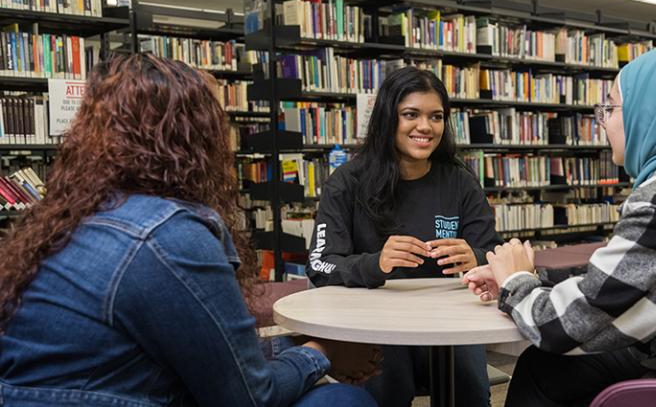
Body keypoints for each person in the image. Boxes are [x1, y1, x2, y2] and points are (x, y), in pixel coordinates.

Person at [0, 54, 380, 407]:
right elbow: (248, 397)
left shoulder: (65, 217)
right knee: (344, 401)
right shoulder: (170, 235)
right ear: (195, 137)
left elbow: (195, 353)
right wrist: (321, 353)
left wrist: (298, 349)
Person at [463, 44, 656, 406]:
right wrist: (538, 278)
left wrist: (516, 283)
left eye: (610, 107)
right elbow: (634, 279)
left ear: (654, 112)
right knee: (552, 370)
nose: (602, 120)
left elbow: (563, 328)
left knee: (546, 364)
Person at [306, 66, 503, 406]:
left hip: (449, 321)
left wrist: (477, 256)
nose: (425, 127)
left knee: (470, 392)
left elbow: (494, 252)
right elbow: (320, 265)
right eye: (411, 114)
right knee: (386, 389)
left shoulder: (459, 181)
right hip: (375, 320)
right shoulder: (347, 182)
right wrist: (375, 264)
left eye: (436, 116)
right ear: (388, 118)